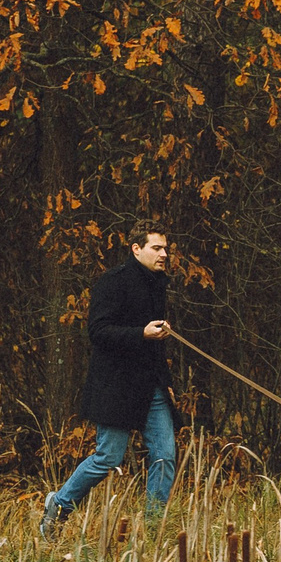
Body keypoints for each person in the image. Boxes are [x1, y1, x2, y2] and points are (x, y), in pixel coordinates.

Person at [41, 228, 177, 535]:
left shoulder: (159, 284)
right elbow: (98, 331)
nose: (164, 254)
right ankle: (58, 506)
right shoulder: (112, 282)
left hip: (152, 387)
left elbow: (156, 345)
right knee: (108, 457)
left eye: (165, 248)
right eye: (156, 248)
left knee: (165, 457)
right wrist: (141, 333)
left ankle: (153, 532)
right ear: (136, 249)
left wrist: (166, 380)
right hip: (117, 386)